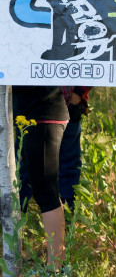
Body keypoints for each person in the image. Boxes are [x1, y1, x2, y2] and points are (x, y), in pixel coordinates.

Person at [13, 85, 69, 271]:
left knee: (46, 194)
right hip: (36, 116)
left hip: (43, 117)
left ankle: (55, 267)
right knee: (43, 191)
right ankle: (55, 265)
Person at [19, 86, 91, 212]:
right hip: (33, 109)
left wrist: (79, 92)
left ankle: (68, 210)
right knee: (26, 162)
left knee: (69, 161)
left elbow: (91, 66)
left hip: (68, 105)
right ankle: (17, 210)